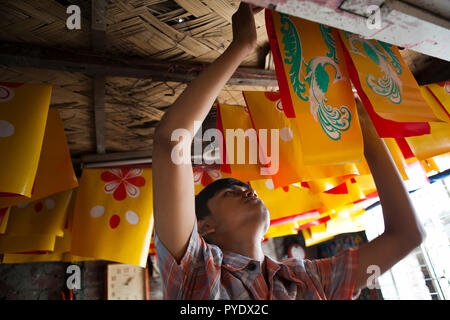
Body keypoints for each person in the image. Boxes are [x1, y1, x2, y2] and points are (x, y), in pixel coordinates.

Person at [151, 2, 425, 300]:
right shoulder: (197, 274)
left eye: (243, 189)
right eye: (230, 192)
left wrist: (362, 126)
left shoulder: (305, 277)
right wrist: (240, 46)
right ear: (203, 226)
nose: (250, 192)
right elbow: (171, 142)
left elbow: (406, 236)